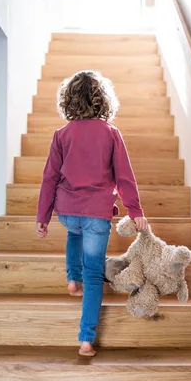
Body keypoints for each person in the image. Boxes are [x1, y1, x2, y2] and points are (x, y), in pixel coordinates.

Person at [36, 70, 148, 357]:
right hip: (97, 214)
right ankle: (86, 339)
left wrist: (43, 216)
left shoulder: (61, 135)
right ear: (103, 101)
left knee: (74, 233)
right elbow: (125, 177)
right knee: (95, 274)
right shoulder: (111, 133)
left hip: (67, 210)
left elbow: (49, 177)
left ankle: (72, 279)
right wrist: (135, 210)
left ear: (69, 100)